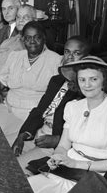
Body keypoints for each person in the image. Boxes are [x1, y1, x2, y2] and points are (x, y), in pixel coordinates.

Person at [28, 56, 107, 193]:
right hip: (66, 168)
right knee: (25, 192)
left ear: (105, 80)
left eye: (93, 79)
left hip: (95, 177)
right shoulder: (73, 107)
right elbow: (63, 145)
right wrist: (57, 157)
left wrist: (76, 163)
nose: (87, 85)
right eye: (82, 79)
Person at [0, 21, 61, 143]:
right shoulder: (15, 56)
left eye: (37, 37)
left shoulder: (56, 61)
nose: (32, 41)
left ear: (43, 38)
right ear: (23, 40)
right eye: (28, 38)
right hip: (8, 108)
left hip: (31, 118)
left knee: (1, 145)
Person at [12, 36, 91, 171]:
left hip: (56, 146)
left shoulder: (86, 91)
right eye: (67, 52)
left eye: (76, 53)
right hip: (38, 134)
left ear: (86, 58)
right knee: (3, 155)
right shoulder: (56, 81)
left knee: (14, 169)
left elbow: (86, 133)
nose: (70, 57)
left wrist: (57, 140)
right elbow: (39, 110)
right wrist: (23, 134)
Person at [0, 4, 35, 82]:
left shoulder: (35, 47)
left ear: (34, 20)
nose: (20, 20)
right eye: (18, 17)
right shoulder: (8, 42)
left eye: (25, 17)